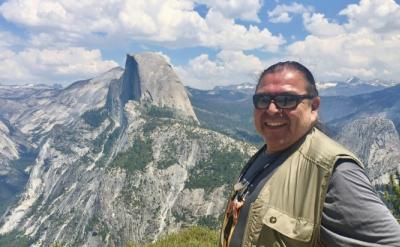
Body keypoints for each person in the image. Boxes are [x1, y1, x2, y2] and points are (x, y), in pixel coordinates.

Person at [220, 61, 400, 247]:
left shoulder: (334, 173)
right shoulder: (266, 154)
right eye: (263, 100)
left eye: (287, 100)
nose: (271, 110)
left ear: (313, 107)